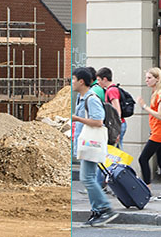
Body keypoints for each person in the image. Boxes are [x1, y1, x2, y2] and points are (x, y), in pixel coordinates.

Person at [71, 67, 119, 226]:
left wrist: (77, 118)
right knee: (88, 178)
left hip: (91, 144)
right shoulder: (82, 97)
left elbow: (98, 121)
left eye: (73, 79)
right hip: (86, 144)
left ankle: (105, 209)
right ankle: (97, 211)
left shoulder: (91, 98)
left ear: (81, 81)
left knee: (87, 178)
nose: (72, 82)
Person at [136, 67, 161, 200]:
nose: (146, 80)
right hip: (160, 131)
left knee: (143, 159)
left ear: (157, 79)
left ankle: (147, 190)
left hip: (160, 131)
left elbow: (160, 115)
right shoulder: (158, 93)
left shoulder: (160, 94)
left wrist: (144, 106)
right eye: (146, 78)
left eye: (149, 78)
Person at [98, 67, 127, 149]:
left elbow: (117, 110)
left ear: (104, 79)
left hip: (117, 125)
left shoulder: (111, 91)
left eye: (99, 80)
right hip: (118, 125)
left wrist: (117, 130)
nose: (98, 82)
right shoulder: (111, 89)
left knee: (116, 153)